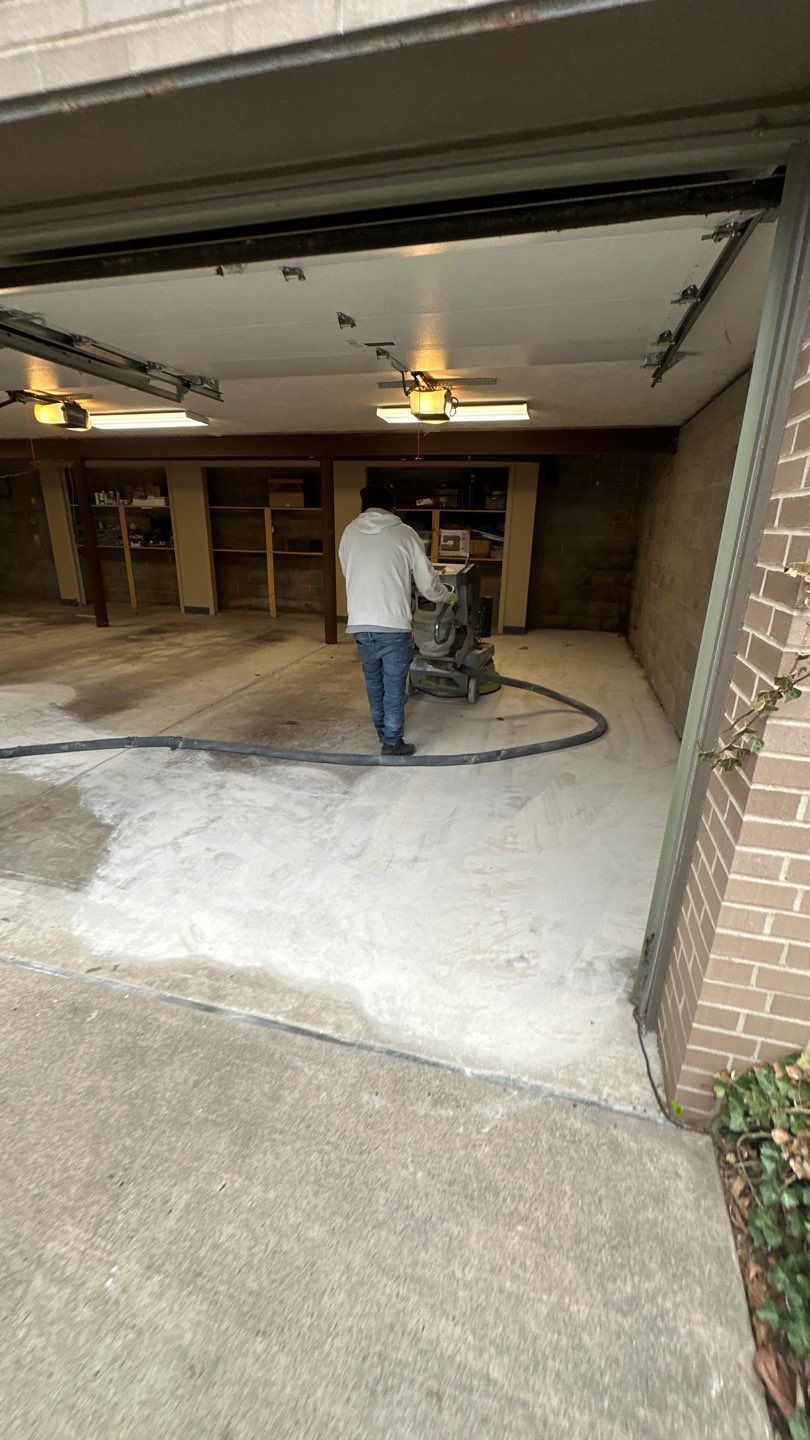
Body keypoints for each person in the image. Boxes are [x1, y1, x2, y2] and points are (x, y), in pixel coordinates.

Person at [339, 484, 452, 756]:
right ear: (393, 508)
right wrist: (447, 595)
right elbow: (427, 586)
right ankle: (392, 742)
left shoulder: (349, 533)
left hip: (361, 624)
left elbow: (349, 572)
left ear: (363, 507)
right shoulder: (405, 534)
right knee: (393, 686)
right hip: (393, 625)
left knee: (374, 683)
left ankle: (382, 732)